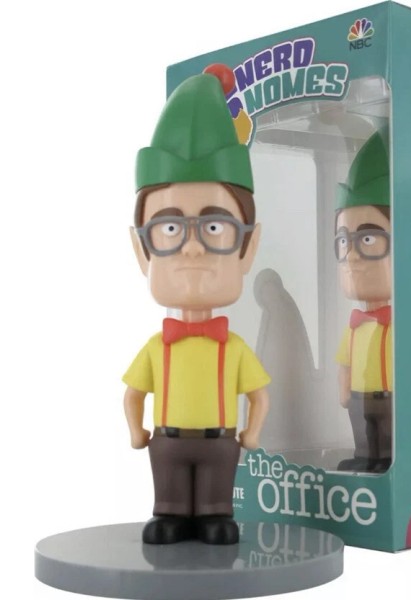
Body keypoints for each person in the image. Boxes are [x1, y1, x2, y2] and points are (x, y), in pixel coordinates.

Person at [123, 64, 270, 545]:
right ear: (142, 250)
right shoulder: (155, 347)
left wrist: (251, 434)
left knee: (215, 504)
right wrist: (136, 431)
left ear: (248, 248)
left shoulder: (235, 348)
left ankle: (212, 515)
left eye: (213, 228)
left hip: (220, 441)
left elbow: (259, 396)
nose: (190, 248)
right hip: (166, 440)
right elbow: (133, 394)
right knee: (168, 499)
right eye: (169, 228)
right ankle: (169, 514)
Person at [335, 130, 393, 473]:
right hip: (359, 396)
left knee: (385, 432)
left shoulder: (400, 328)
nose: (352, 256)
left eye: (368, 239)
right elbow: (344, 363)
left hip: (389, 398)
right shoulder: (355, 327)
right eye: (344, 241)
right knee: (362, 430)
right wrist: (344, 390)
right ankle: (364, 456)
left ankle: (385, 459)